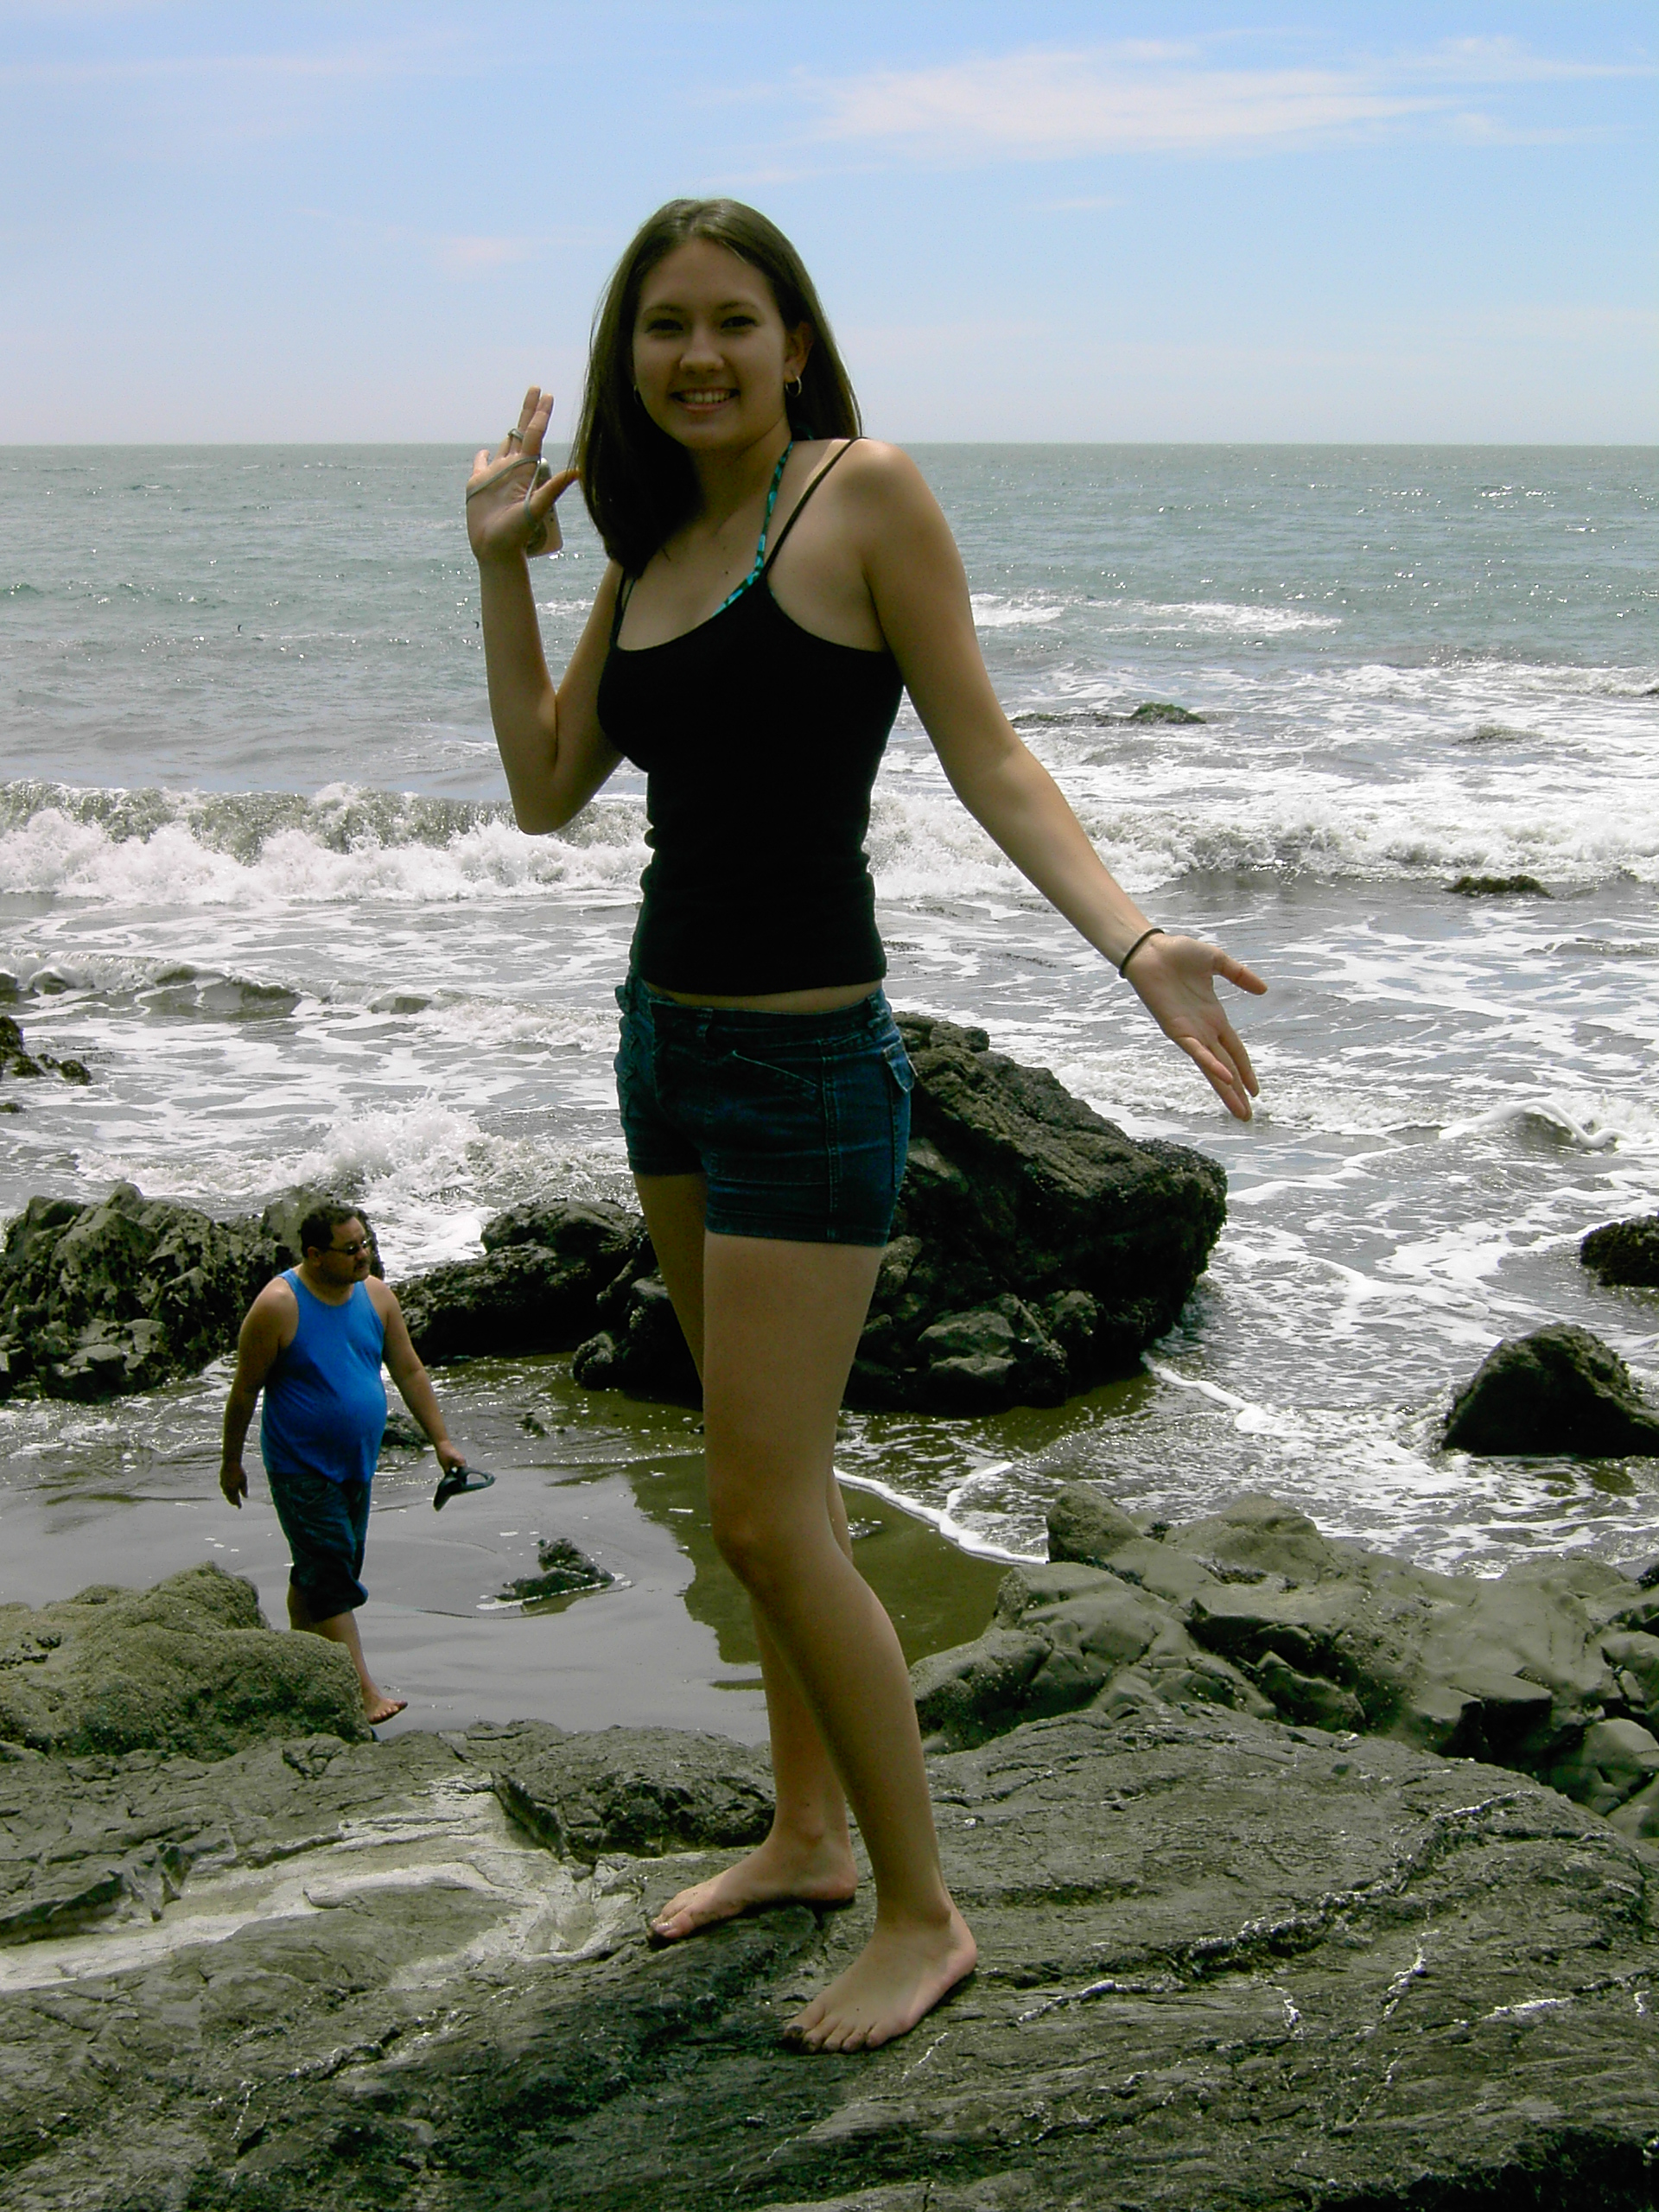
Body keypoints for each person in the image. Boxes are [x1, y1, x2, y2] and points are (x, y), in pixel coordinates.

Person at [465, 198, 1266, 2053]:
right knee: (760, 1500)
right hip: (665, 1049)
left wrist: (1135, 942)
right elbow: (543, 788)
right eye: (665, 325)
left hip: (812, 1074)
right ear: (628, 355)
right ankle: (808, 1834)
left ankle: (924, 1911)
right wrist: (501, 567)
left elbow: (989, 751)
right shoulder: (646, 547)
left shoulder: (865, 496)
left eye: (733, 320)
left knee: (766, 1507)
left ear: (796, 341)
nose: (698, 355)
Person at [219, 1201, 466, 1726]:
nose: (363, 1255)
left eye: (366, 1243)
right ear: (314, 1255)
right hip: (299, 1466)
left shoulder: (376, 1297)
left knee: (329, 1566)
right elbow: (244, 1391)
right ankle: (363, 1691)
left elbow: (410, 1371)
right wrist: (231, 1462)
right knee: (331, 1570)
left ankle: (301, 1656)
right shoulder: (279, 1305)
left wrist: (441, 1441)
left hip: (356, 1464)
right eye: (350, 1248)